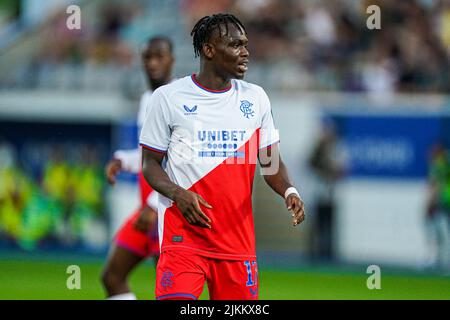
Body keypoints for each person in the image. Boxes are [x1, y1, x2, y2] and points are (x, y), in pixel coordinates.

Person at [140, 13, 305, 300]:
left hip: (236, 247)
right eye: (235, 45)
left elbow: (270, 162)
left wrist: (289, 190)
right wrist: (178, 194)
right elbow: (150, 164)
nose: (245, 52)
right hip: (183, 241)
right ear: (209, 50)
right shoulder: (168, 98)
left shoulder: (256, 99)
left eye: (245, 44)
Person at [101, 36, 175, 300]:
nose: (153, 63)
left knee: (169, 292)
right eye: (148, 57)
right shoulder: (147, 99)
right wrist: (123, 161)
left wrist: (155, 204)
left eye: (159, 57)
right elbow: (149, 156)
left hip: (167, 213)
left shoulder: (178, 100)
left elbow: (183, 161)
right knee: (112, 277)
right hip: (146, 211)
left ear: (172, 60)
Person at [308, 119, 345, 263]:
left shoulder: (337, 149)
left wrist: (330, 168)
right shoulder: (317, 149)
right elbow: (311, 164)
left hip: (331, 194)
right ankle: (314, 255)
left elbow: (341, 169)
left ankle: (329, 255)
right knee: (317, 226)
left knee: (330, 226)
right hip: (319, 192)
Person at [424, 142, 450, 270]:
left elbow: (436, 186)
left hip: (443, 201)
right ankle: (440, 259)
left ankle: (438, 259)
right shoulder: (445, 163)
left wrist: (431, 202)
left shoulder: (439, 165)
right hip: (444, 200)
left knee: (439, 231)